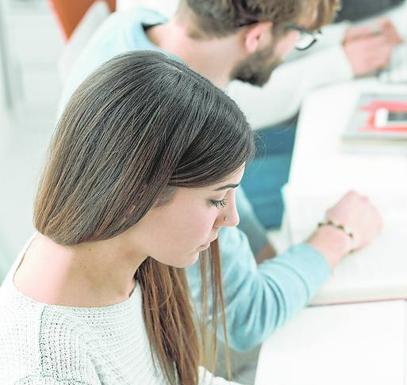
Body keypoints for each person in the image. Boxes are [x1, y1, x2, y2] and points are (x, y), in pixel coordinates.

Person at [0, 51, 379, 385]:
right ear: (136, 195)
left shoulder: (120, 250)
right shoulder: (48, 371)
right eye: (216, 200)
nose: (230, 219)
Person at [58, 0, 383, 354]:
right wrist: (337, 235)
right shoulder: (174, 125)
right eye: (300, 37)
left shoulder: (134, 26)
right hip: (163, 332)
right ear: (256, 36)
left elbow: (228, 195)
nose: (294, 46)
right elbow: (245, 318)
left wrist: (264, 254)